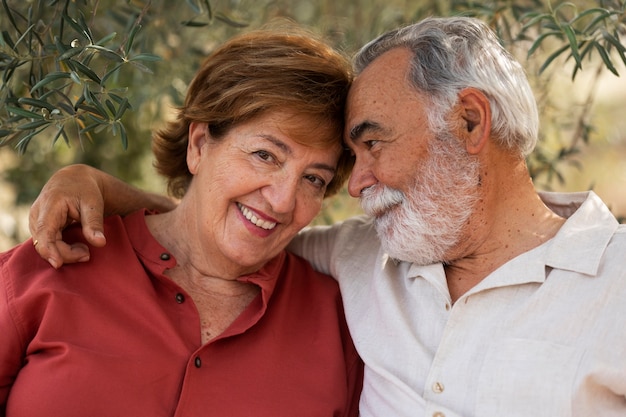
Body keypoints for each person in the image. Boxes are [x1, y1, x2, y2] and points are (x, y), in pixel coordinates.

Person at [27, 16, 626, 417]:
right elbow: (223, 228)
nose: (356, 181)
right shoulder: (367, 253)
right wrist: (94, 184)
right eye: (349, 158)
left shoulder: (615, 284)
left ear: (469, 123)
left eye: (374, 143)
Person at [1, 26, 364, 417]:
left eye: (313, 179)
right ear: (199, 145)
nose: (282, 200)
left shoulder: (344, 328)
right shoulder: (50, 267)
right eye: (265, 155)